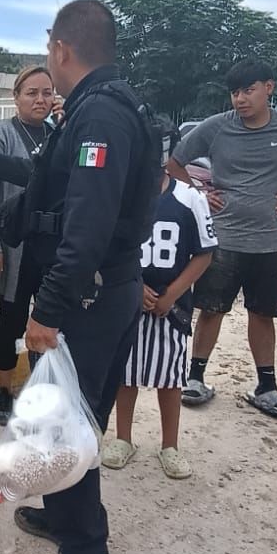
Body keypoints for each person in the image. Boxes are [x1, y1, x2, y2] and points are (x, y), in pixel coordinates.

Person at [0, 0, 159, 554]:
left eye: (49, 44)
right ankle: (64, 514)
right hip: (100, 292)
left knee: (63, 420)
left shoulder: (99, 115)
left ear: (61, 48)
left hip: (89, 297)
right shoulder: (101, 108)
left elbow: (87, 226)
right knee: (69, 414)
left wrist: (46, 310)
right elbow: (54, 175)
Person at [165, 59, 277, 420]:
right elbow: (174, 162)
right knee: (211, 311)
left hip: (270, 242)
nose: (240, 99)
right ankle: (195, 379)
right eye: (235, 92)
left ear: (268, 88)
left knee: (263, 314)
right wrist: (199, 192)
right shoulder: (216, 128)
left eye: (248, 90)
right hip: (222, 239)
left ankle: (266, 387)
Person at [101, 161, 216, 479]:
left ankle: (170, 445)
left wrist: (172, 295)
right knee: (126, 374)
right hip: (128, 298)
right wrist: (135, 287)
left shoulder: (190, 198)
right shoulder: (123, 196)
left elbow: (204, 253)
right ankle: (123, 438)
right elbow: (110, 249)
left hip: (172, 306)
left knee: (170, 378)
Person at [0, 65, 56, 425]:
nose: (40, 99)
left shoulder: (58, 135)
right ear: (16, 97)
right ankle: (5, 391)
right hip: (12, 250)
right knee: (11, 323)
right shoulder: (1, 134)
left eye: (47, 93)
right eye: (31, 93)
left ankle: (39, 391)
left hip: (50, 252)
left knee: (49, 321)